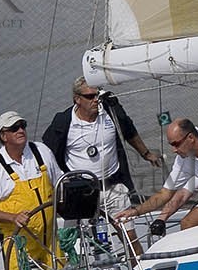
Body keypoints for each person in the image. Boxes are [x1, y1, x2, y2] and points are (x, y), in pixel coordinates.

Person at [40, 78, 161, 224]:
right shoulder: (64, 121)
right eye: (90, 96)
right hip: (81, 190)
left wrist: (146, 154)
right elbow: (47, 152)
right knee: (80, 237)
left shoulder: (110, 112)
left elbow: (129, 131)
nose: (96, 100)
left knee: (129, 236)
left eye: (97, 95)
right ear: (77, 99)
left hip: (113, 186)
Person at [0, 112, 64, 270]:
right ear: (3, 136)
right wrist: (13, 217)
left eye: (22, 125)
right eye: (14, 128)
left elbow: (61, 184)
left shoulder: (41, 151)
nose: (21, 130)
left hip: (50, 241)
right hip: (18, 247)